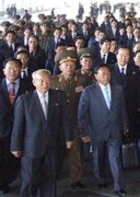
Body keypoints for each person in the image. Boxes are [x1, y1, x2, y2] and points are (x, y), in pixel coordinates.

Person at [11, 69, 73, 197]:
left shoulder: (58, 96)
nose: (45, 84)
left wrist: (69, 138)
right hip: (31, 148)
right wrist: (15, 146)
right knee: (29, 180)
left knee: (50, 180)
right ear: (34, 82)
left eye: (47, 81)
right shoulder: (24, 100)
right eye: (42, 81)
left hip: (51, 146)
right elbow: (18, 126)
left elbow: (66, 119)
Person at [78, 64, 128, 196]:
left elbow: (122, 109)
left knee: (115, 158)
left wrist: (125, 125)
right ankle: (100, 179)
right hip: (96, 130)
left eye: (108, 73)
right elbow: (82, 114)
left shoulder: (118, 89)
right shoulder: (88, 91)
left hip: (114, 129)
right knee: (98, 157)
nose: (106, 76)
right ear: (96, 76)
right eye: (103, 74)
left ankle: (119, 186)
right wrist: (84, 132)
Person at [50, 50, 86, 189]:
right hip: (57, 123)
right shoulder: (53, 82)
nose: (69, 67)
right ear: (60, 67)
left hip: (74, 121)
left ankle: (75, 179)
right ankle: (53, 175)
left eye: (72, 64)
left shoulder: (81, 79)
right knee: (56, 152)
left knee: (75, 153)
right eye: (66, 65)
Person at [0, 59, 33, 194]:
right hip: (2, 130)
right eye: (9, 68)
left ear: (21, 70)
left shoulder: (29, 86)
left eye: (16, 68)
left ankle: (22, 182)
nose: (13, 71)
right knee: (2, 158)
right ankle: (3, 183)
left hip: (23, 129)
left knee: (20, 158)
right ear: (3, 71)